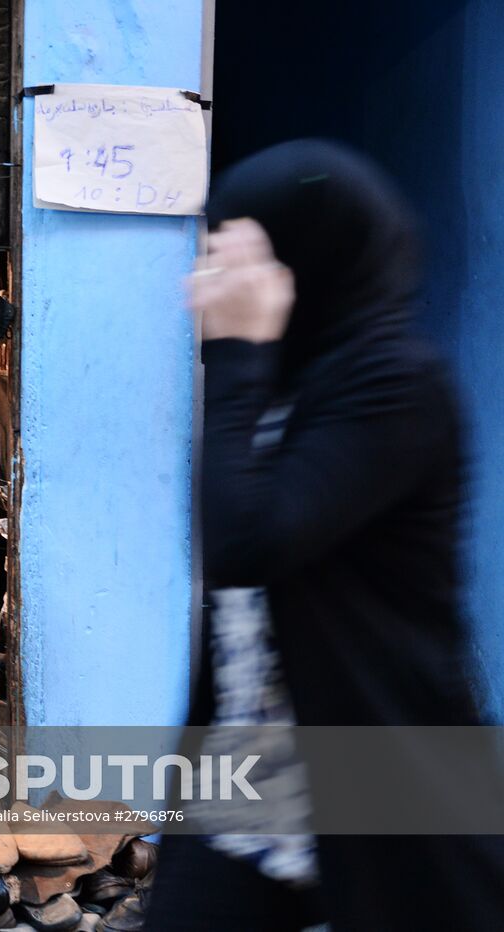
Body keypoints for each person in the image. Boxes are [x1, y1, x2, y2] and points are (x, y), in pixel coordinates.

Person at [147, 140, 504, 930]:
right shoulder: (295, 382)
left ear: (307, 261)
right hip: (251, 774)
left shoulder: (400, 385)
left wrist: (235, 353)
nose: (213, 279)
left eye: (248, 249)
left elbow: (247, 538)